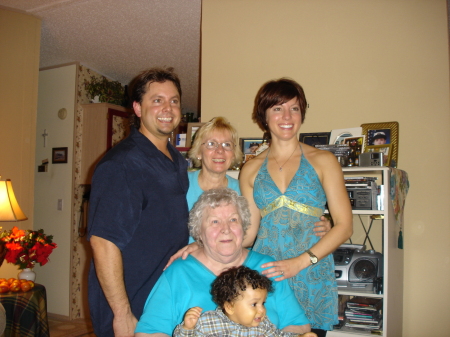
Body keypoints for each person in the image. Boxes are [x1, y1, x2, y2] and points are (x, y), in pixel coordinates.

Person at [240, 78, 353, 337]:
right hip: (266, 276)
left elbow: (345, 226)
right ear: (264, 115)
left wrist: (300, 262)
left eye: (294, 108)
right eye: (277, 108)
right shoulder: (251, 168)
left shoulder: (323, 161)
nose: (287, 116)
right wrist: (204, 245)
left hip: (311, 272)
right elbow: (248, 234)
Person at [87, 67, 189, 337]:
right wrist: (122, 314)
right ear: (137, 108)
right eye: (157, 100)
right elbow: (104, 241)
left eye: (174, 100)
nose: (168, 108)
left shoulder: (176, 161)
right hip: (131, 302)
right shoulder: (122, 164)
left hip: (163, 297)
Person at [135, 188, 312, 336]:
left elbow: (298, 325)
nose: (225, 229)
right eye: (214, 222)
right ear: (199, 232)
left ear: (243, 226)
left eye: (233, 220)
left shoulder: (267, 267)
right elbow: (150, 332)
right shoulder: (178, 272)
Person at [173, 266, 317, 337]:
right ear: (229, 306)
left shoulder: (263, 325)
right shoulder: (208, 322)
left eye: (263, 303)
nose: (261, 310)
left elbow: (279, 336)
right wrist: (188, 328)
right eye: (254, 304)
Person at [186, 116, 243, 213]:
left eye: (227, 144)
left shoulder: (242, 191)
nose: (220, 150)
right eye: (211, 144)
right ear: (198, 152)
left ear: (233, 154)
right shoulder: (182, 184)